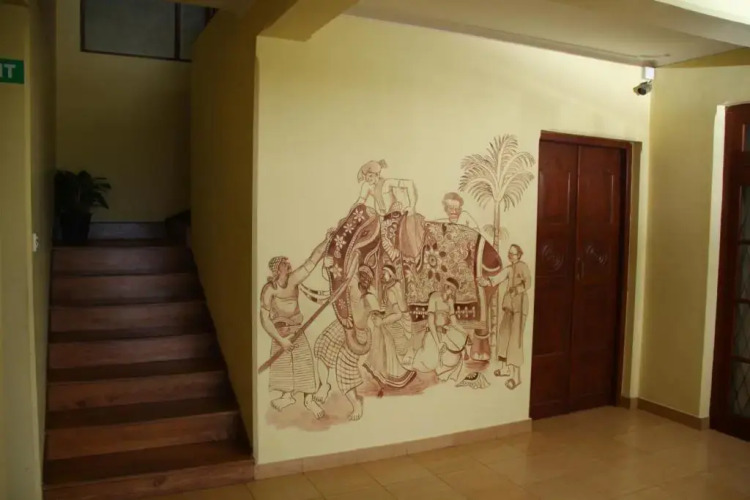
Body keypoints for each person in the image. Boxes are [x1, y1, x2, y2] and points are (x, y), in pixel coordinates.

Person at [259, 232, 332, 419]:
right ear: (277, 269)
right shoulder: (269, 290)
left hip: (297, 331)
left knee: (304, 364)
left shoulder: (293, 279)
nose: (289, 265)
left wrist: (326, 241)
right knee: (283, 367)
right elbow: (265, 318)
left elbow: (312, 261)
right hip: (280, 333)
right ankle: (287, 396)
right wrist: (281, 340)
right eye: (285, 264)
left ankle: (309, 400)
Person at [313, 260, 376, 421]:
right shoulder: (352, 284)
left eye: (368, 277)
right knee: (323, 345)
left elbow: (378, 316)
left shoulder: (371, 296)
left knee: (344, 368)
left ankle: (356, 404)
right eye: (362, 275)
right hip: (344, 323)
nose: (365, 279)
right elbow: (334, 279)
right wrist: (328, 266)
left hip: (359, 333)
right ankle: (324, 385)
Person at [478, 244, 532, 390]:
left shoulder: (523, 267)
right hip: (509, 308)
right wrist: (485, 282)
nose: (510, 256)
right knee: (503, 335)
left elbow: (528, 283)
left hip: (520, 307)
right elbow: (497, 278)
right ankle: (505, 369)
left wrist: (517, 289)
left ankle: (516, 377)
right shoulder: (509, 269)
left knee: (515, 340)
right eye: (509, 253)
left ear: (519, 255)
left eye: (512, 254)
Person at [362, 265, 417, 395]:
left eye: (384, 273)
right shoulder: (394, 286)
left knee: (381, 336)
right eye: (382, 273)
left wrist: (382, 321)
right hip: (396, 322)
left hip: (395, 325)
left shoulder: (391, 291)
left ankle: (388, 377)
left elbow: (398, 314)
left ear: (391, 275)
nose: (382, 275)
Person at [354, 160, 424, 260]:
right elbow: (361, 201)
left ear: (377, 174)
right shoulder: (368, 186)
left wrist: (412, 206)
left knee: (389, 240)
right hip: (381, 218)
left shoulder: (387, 183)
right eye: (366, 176)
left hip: (394, 216)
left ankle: (404, 259)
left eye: (370, 176)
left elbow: (409, 183)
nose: (368, 179)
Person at [428, 278, 470, 382]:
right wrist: (438, 343)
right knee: (442, 351)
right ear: (446, 287)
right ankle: (443, 372)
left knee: (461, 341)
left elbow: (453, 321)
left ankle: (454, 373)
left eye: (454, 291)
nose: (452, 293)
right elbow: (431, 322)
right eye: (451, 289)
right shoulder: (434, 297)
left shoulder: (450, 301)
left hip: (447, 328)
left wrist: (464, 332)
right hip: (435, 330)